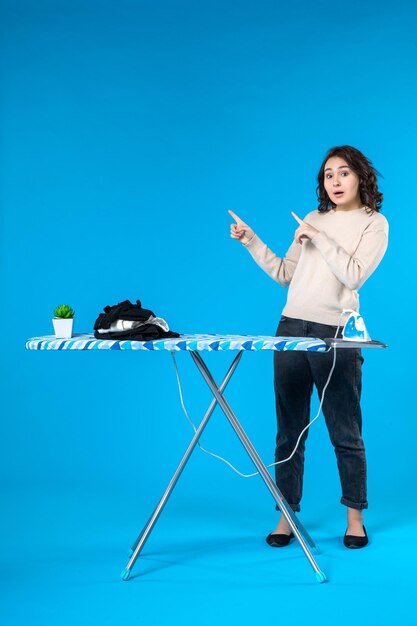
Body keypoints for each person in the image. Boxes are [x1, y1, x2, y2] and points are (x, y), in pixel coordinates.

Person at [229, 145, 388, 549]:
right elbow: (286, 275)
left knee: (345, 430)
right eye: (328, 174)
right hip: (290, 328)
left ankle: (355, 518)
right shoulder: (312, 218)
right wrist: (251, 241)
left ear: (361, 177)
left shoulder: (374, 224)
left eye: (344, 173)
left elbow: (353, 276)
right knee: (289, 431)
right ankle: (286, 514)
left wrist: (319, 237)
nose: (335, 181)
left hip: (336, 332)